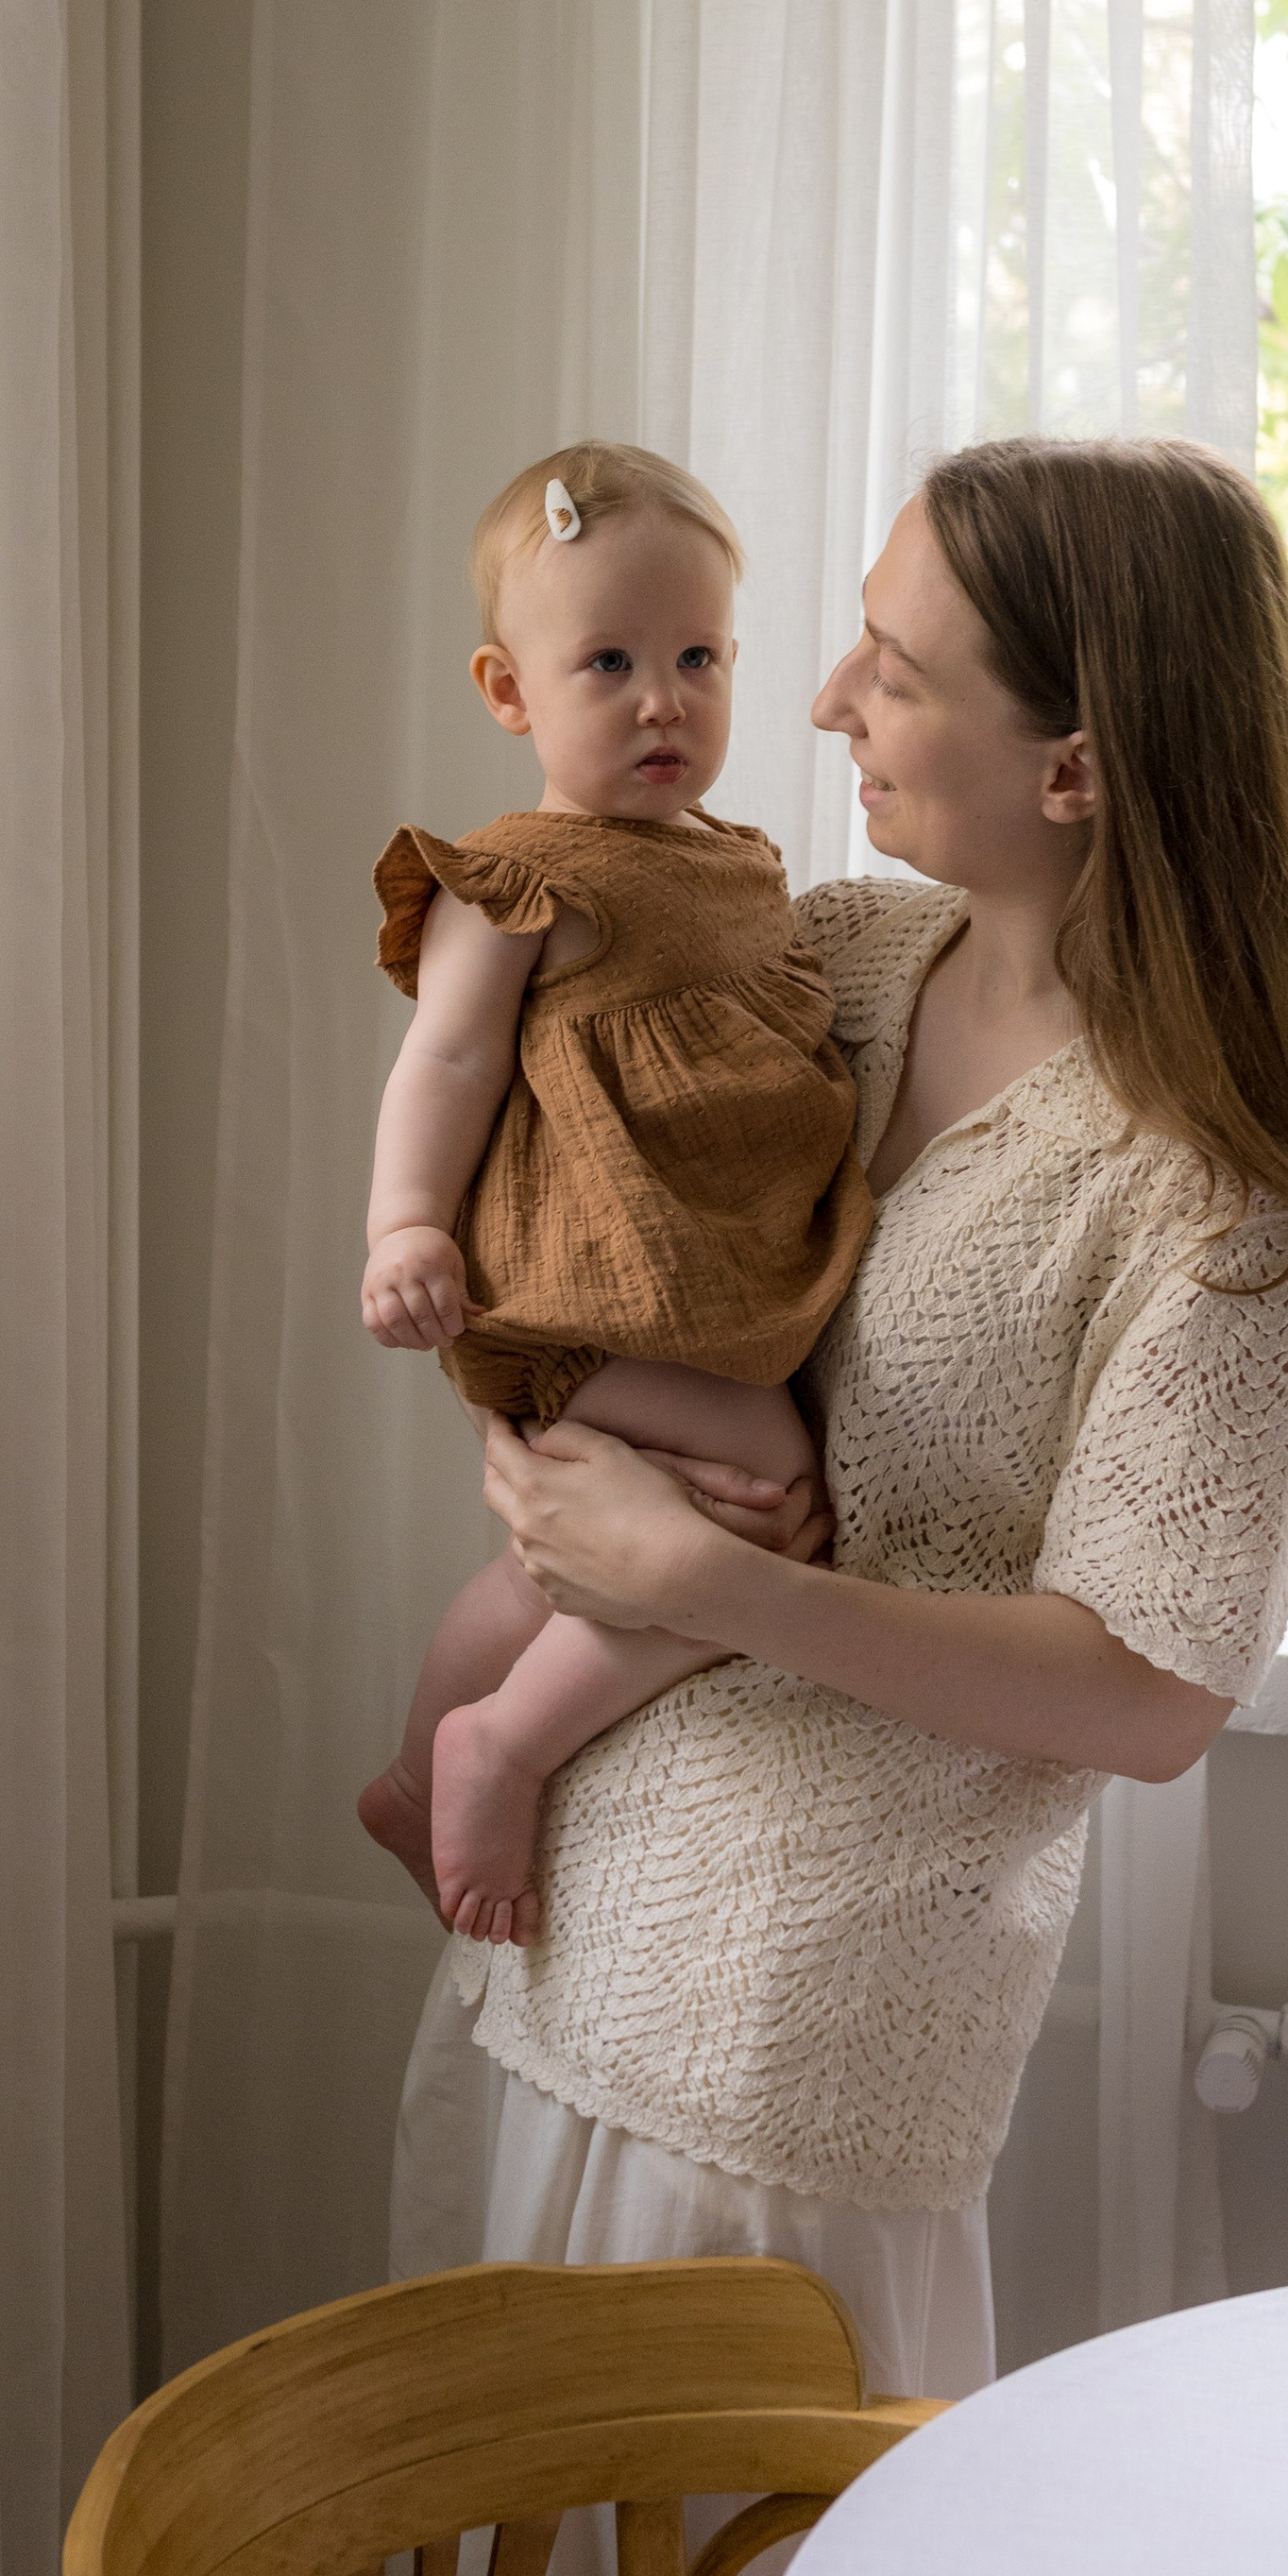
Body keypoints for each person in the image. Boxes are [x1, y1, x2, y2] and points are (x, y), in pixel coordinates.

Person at [389, 432, 1288, 2576]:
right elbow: (547, 1189)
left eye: (896, 660)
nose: (826, 694)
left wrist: (680, 1577)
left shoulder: (1212, 1198)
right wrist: (528, 1432)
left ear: (1074, 764)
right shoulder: (833, 963)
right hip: (562, 1914)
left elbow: (1148, 1688)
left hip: (805, 2031)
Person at [358, 441, 872, 1941]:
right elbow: (445, 1064)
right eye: (609, 662)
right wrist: (403, 1226)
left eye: (699, 655)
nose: (665, 699)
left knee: (559, 1572)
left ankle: (408, 1773)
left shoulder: (738, 862)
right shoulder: (519, 876)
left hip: (709, 1281)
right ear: (510, 692)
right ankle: (496, 1744)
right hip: (604, 1283)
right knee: (771, 1510)